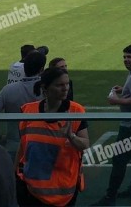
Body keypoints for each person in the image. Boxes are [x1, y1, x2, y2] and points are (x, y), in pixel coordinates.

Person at [19, 67, 89, 206]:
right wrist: (14, 176)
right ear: (45, 88)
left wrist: (71, 136)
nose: (65, 88)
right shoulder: (28, 111)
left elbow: (85, 144)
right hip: (31, 190)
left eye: (67, 84)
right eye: (60, 85)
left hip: (64, 191)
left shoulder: (76, 111)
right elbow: (23, 147)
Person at [93, 45, 131, 206]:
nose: (126, 60)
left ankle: (110, 197)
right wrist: (124, 89)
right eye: (125, 57)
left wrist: (116, 100)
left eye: (129, 57)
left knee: (119, 160)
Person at [0, 50, 46, 162]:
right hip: (41, 145)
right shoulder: (47, 91)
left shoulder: (8, 90)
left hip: (13, 146)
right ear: (41, 70)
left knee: (12, 178)